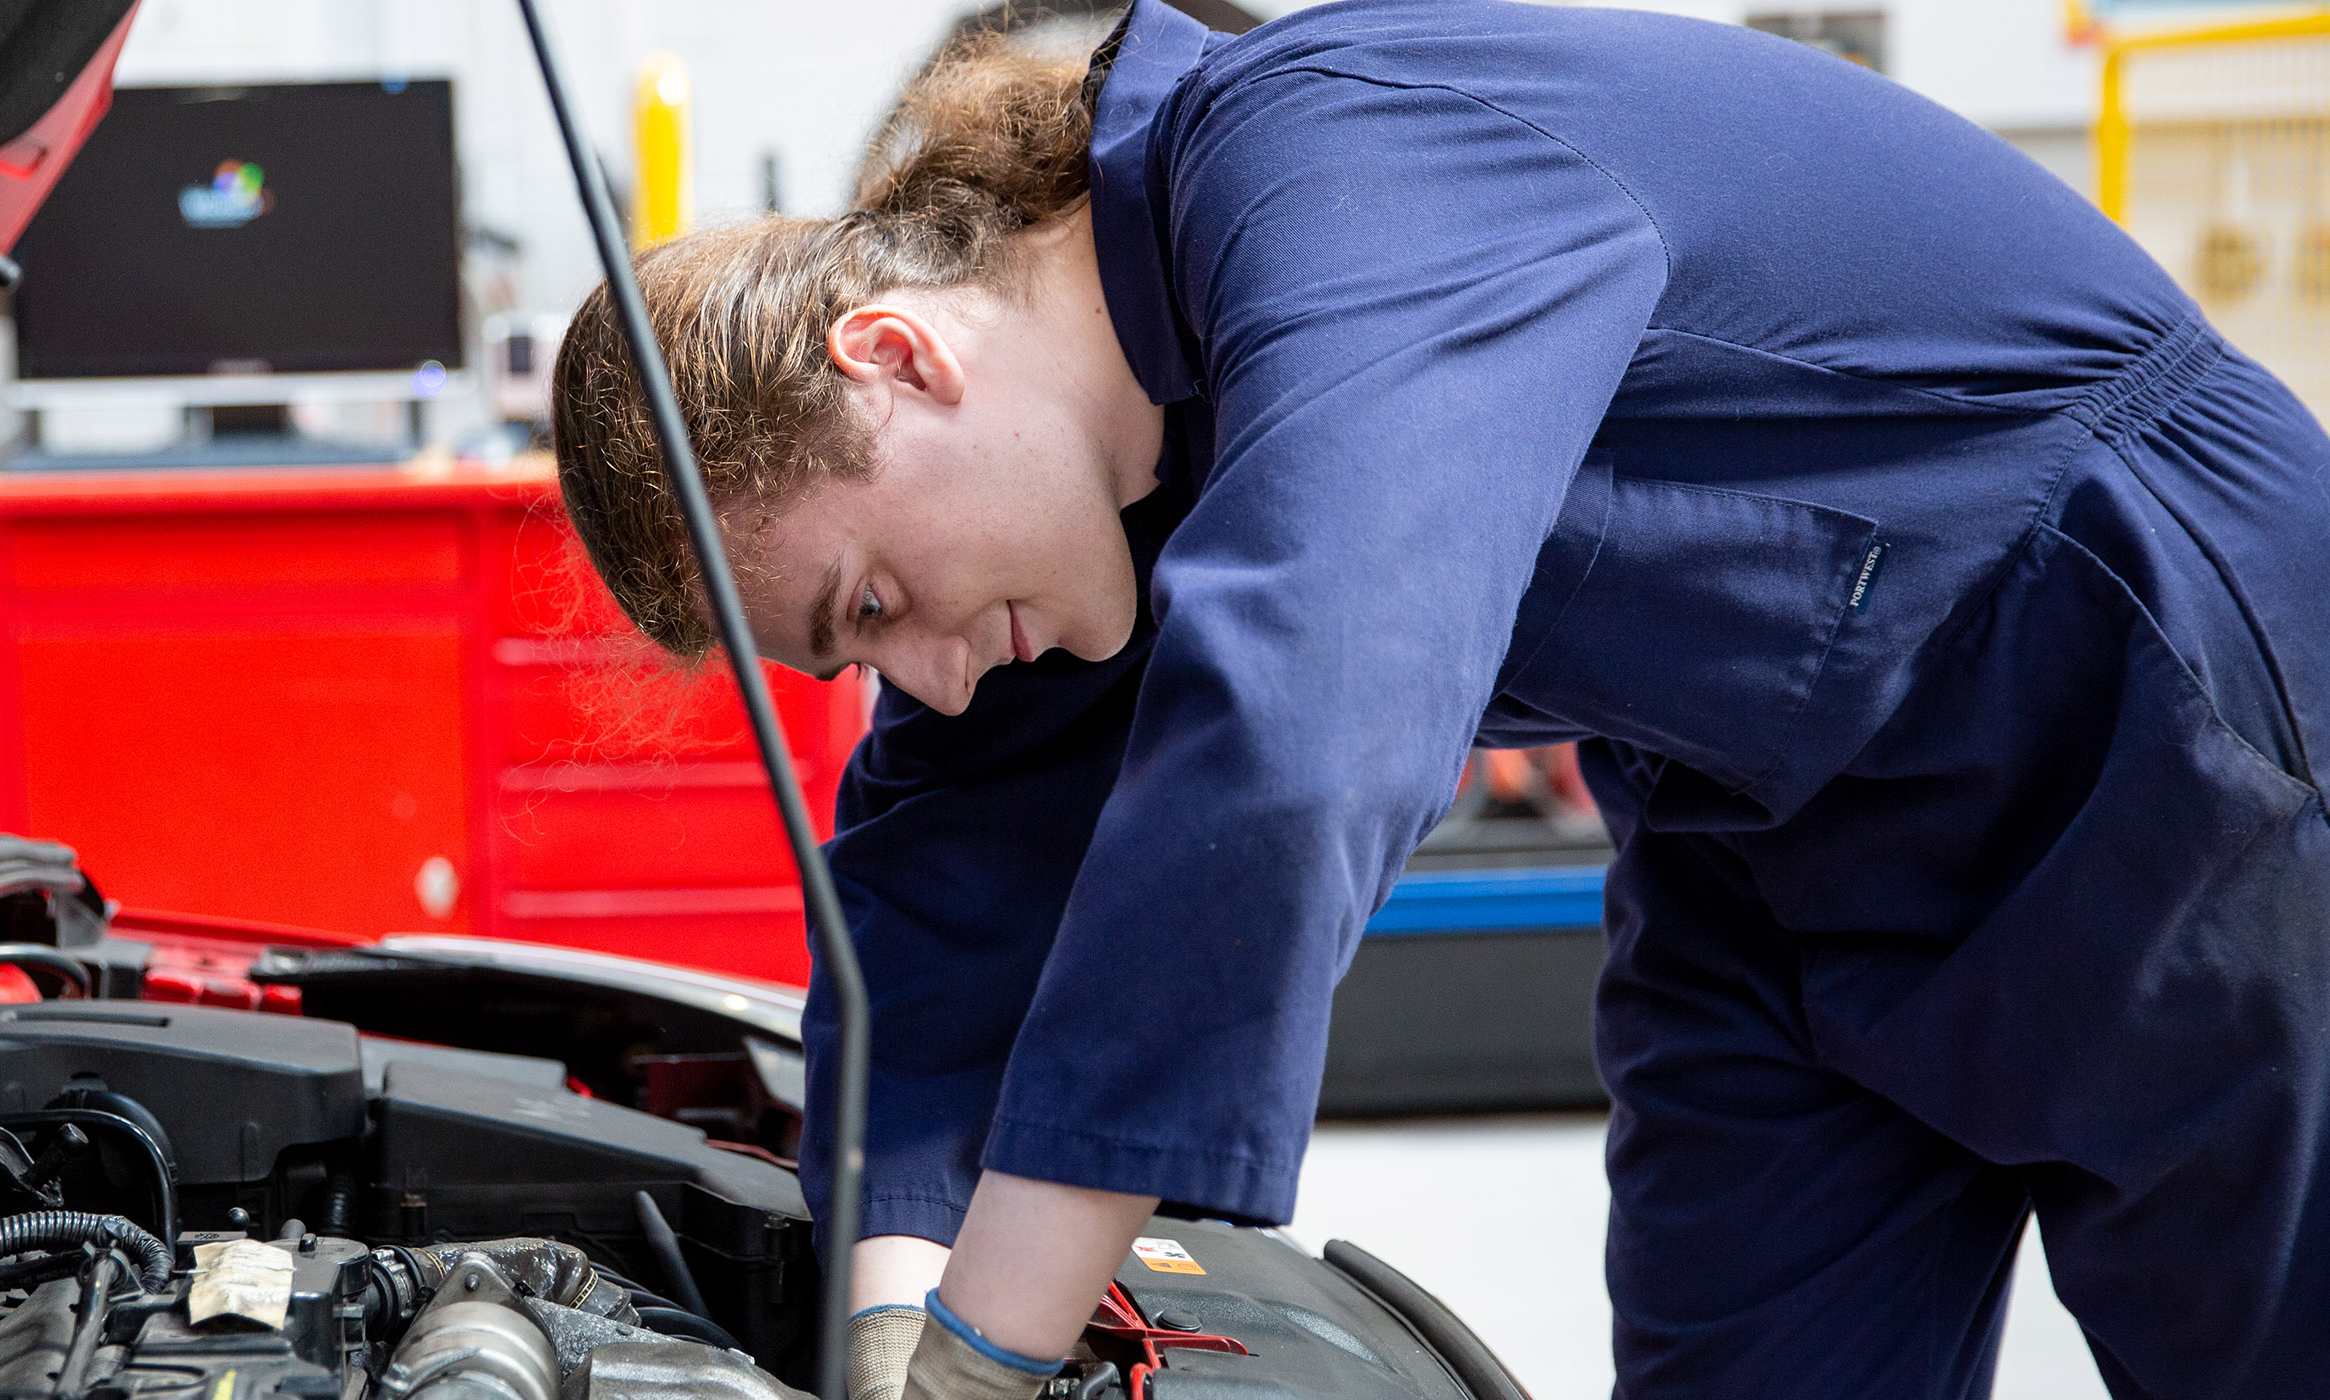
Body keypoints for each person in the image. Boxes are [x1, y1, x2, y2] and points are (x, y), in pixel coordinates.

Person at [548, 2, 2330, 1396]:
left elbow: (1302, 706)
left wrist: (988, 1352)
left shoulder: (1334, 158)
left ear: (899, 354)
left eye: (871, 604)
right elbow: (929, 913)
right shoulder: (1089, 504)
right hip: (1766, 842)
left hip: (2143, 700)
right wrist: (880, 1313)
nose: (924, 675)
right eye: (853, 663)